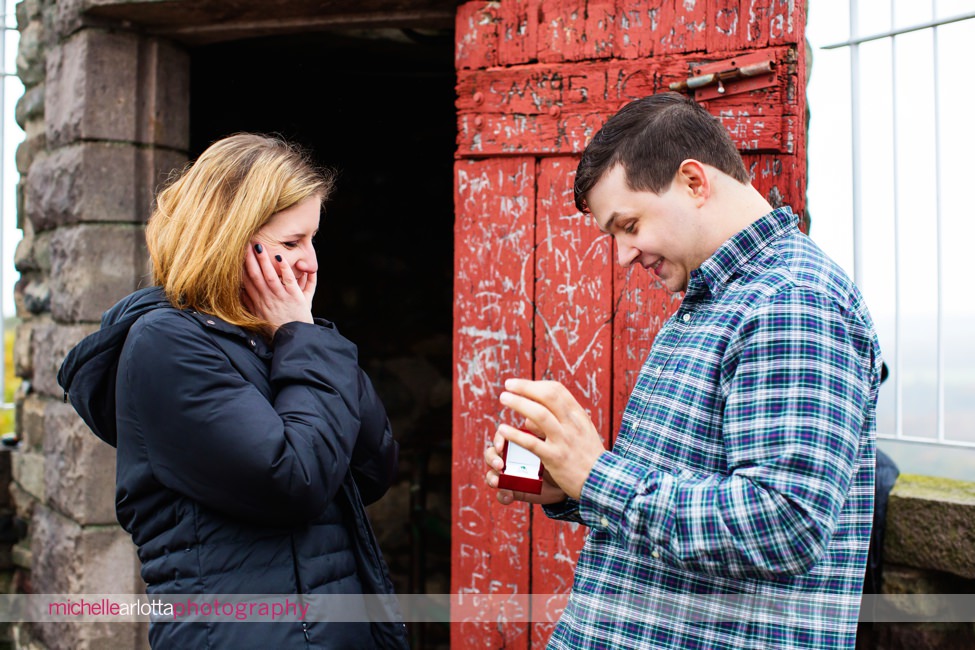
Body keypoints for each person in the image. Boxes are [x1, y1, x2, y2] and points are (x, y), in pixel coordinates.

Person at [484, 92, 882, 649]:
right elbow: (682, 485)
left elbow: (783, 525)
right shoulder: (716, 299)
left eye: (629, 224)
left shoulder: (793, 302)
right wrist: (567, 484)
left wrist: (598, 476)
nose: (623, 254)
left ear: (694, 182)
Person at [57, 133, 409, 649]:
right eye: (291, 244)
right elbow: (296, 479)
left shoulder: (289, 338)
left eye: (313, 240)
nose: (311, 262)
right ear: (229, 239)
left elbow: (372, 470)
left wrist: (304, 337)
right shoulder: (166, 345)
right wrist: (305, 342)